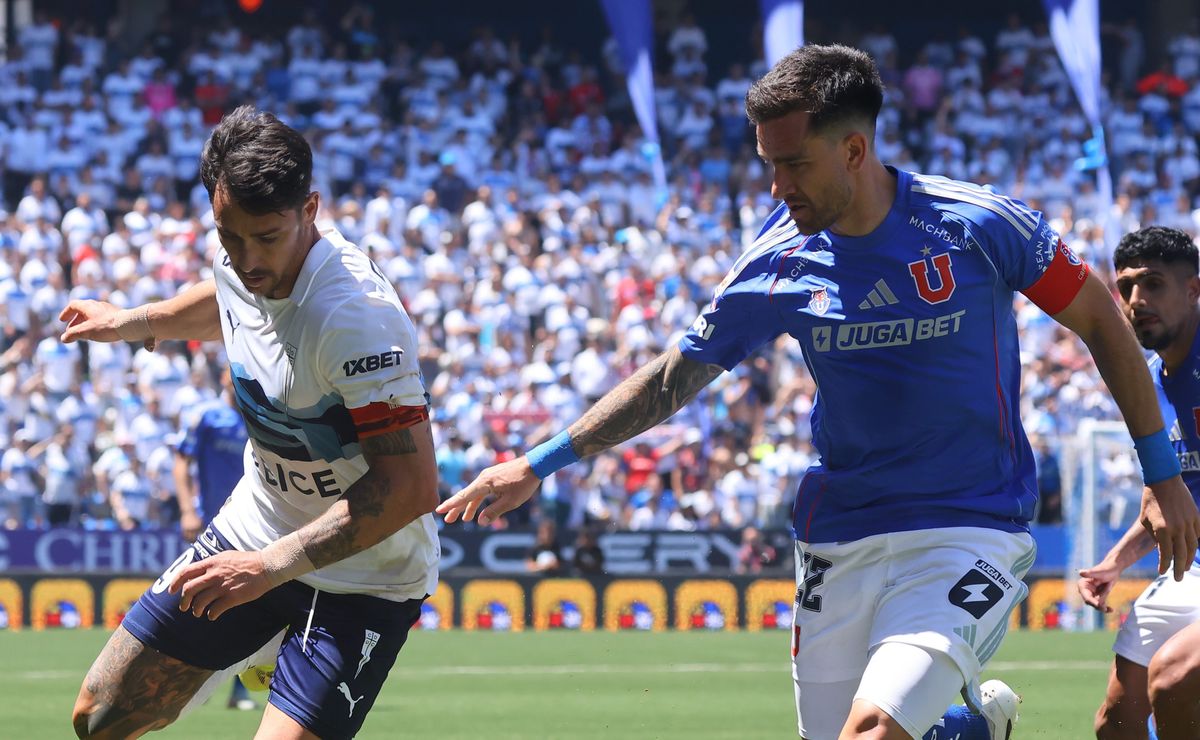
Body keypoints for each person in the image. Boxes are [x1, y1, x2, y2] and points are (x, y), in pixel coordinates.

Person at [439, 45, 1200, 740]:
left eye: (794, 164)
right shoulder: (778, 259)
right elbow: (673, 378)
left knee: (871, 733)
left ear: (854, 150)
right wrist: (537, 463)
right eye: (769, 164)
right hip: (838, 538)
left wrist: (1162, 476)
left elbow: (1101, 321)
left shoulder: (976, 224)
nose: (777, 186)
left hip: (968, 530)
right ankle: (968, 732)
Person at [63, 106, 440, 740]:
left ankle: (270, 646)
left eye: (266, 237)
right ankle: (264, 646)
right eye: (229, 236)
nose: (246, 258)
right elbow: (228, 297)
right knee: (99, 717)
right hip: (255, 525)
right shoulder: (241, 259)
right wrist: (133, 322)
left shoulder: (355, 320)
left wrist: (266, 568)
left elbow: (409, 488)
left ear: (310, 209)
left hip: (363, 570)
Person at [1080, 227, 1200, 740]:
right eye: (1126, 286)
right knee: (1115, 723)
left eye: (1153, 283)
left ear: (1193, 290)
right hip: (1191, 570)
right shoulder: (1146, 382)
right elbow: (1173, 501)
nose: (1135, 299)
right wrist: (1115, 561)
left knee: (1172, 679)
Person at [173, 366, 258, 711]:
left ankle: (239, 689)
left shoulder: (261, 416)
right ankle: (187, 682)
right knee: (195, 603)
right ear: (225, 380)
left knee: (246, 607)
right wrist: (186, 510)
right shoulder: (207, 416)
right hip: (213, 523)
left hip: (253, 524)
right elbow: (181, 461)